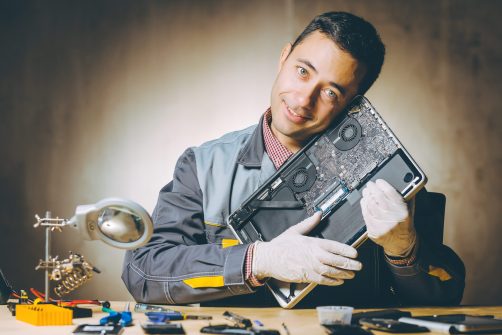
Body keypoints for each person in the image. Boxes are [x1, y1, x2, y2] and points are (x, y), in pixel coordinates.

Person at [122, 12, 465, 308]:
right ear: (284, 57)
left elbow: (445, 293)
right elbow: (144, 272)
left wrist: (404, 251)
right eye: (303, 71)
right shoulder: (203, 166)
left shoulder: (387, 175)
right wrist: (257, 260)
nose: (304, 100)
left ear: (353, 103)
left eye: (331, 92)